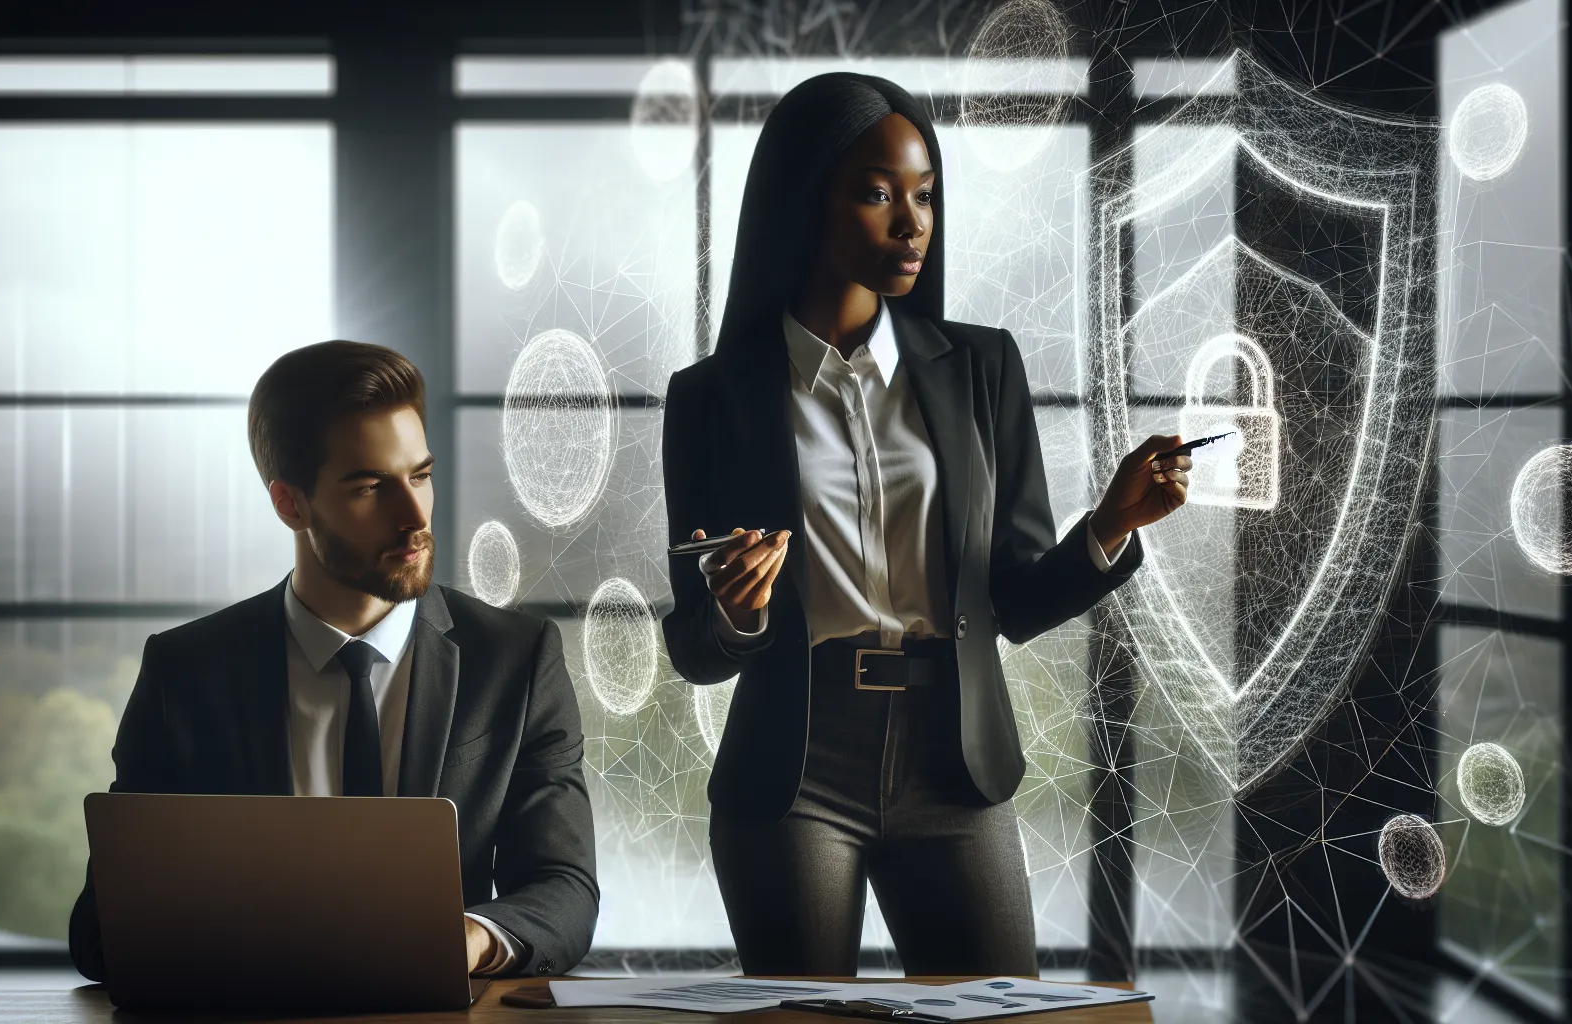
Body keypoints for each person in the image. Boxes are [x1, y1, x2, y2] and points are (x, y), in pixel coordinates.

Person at [660, 74, 1192, 976]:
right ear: (805, 200)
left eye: (924, 193)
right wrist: (738, 613)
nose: (912, 222)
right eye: (876, 193)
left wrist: (1110, 524)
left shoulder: (982, 368)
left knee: (1000, 1012)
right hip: (793, 772)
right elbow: (695, 651)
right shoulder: (711, 398)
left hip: (957, 762)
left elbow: (1015, 600)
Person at [68, 341, 598, 982]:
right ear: (290, 503)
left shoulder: (517, 660)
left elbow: (563, 888)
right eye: (371, 487)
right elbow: (101, 927)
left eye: (421, 476)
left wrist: (470, 938)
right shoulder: (186, 673)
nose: (414, 516)